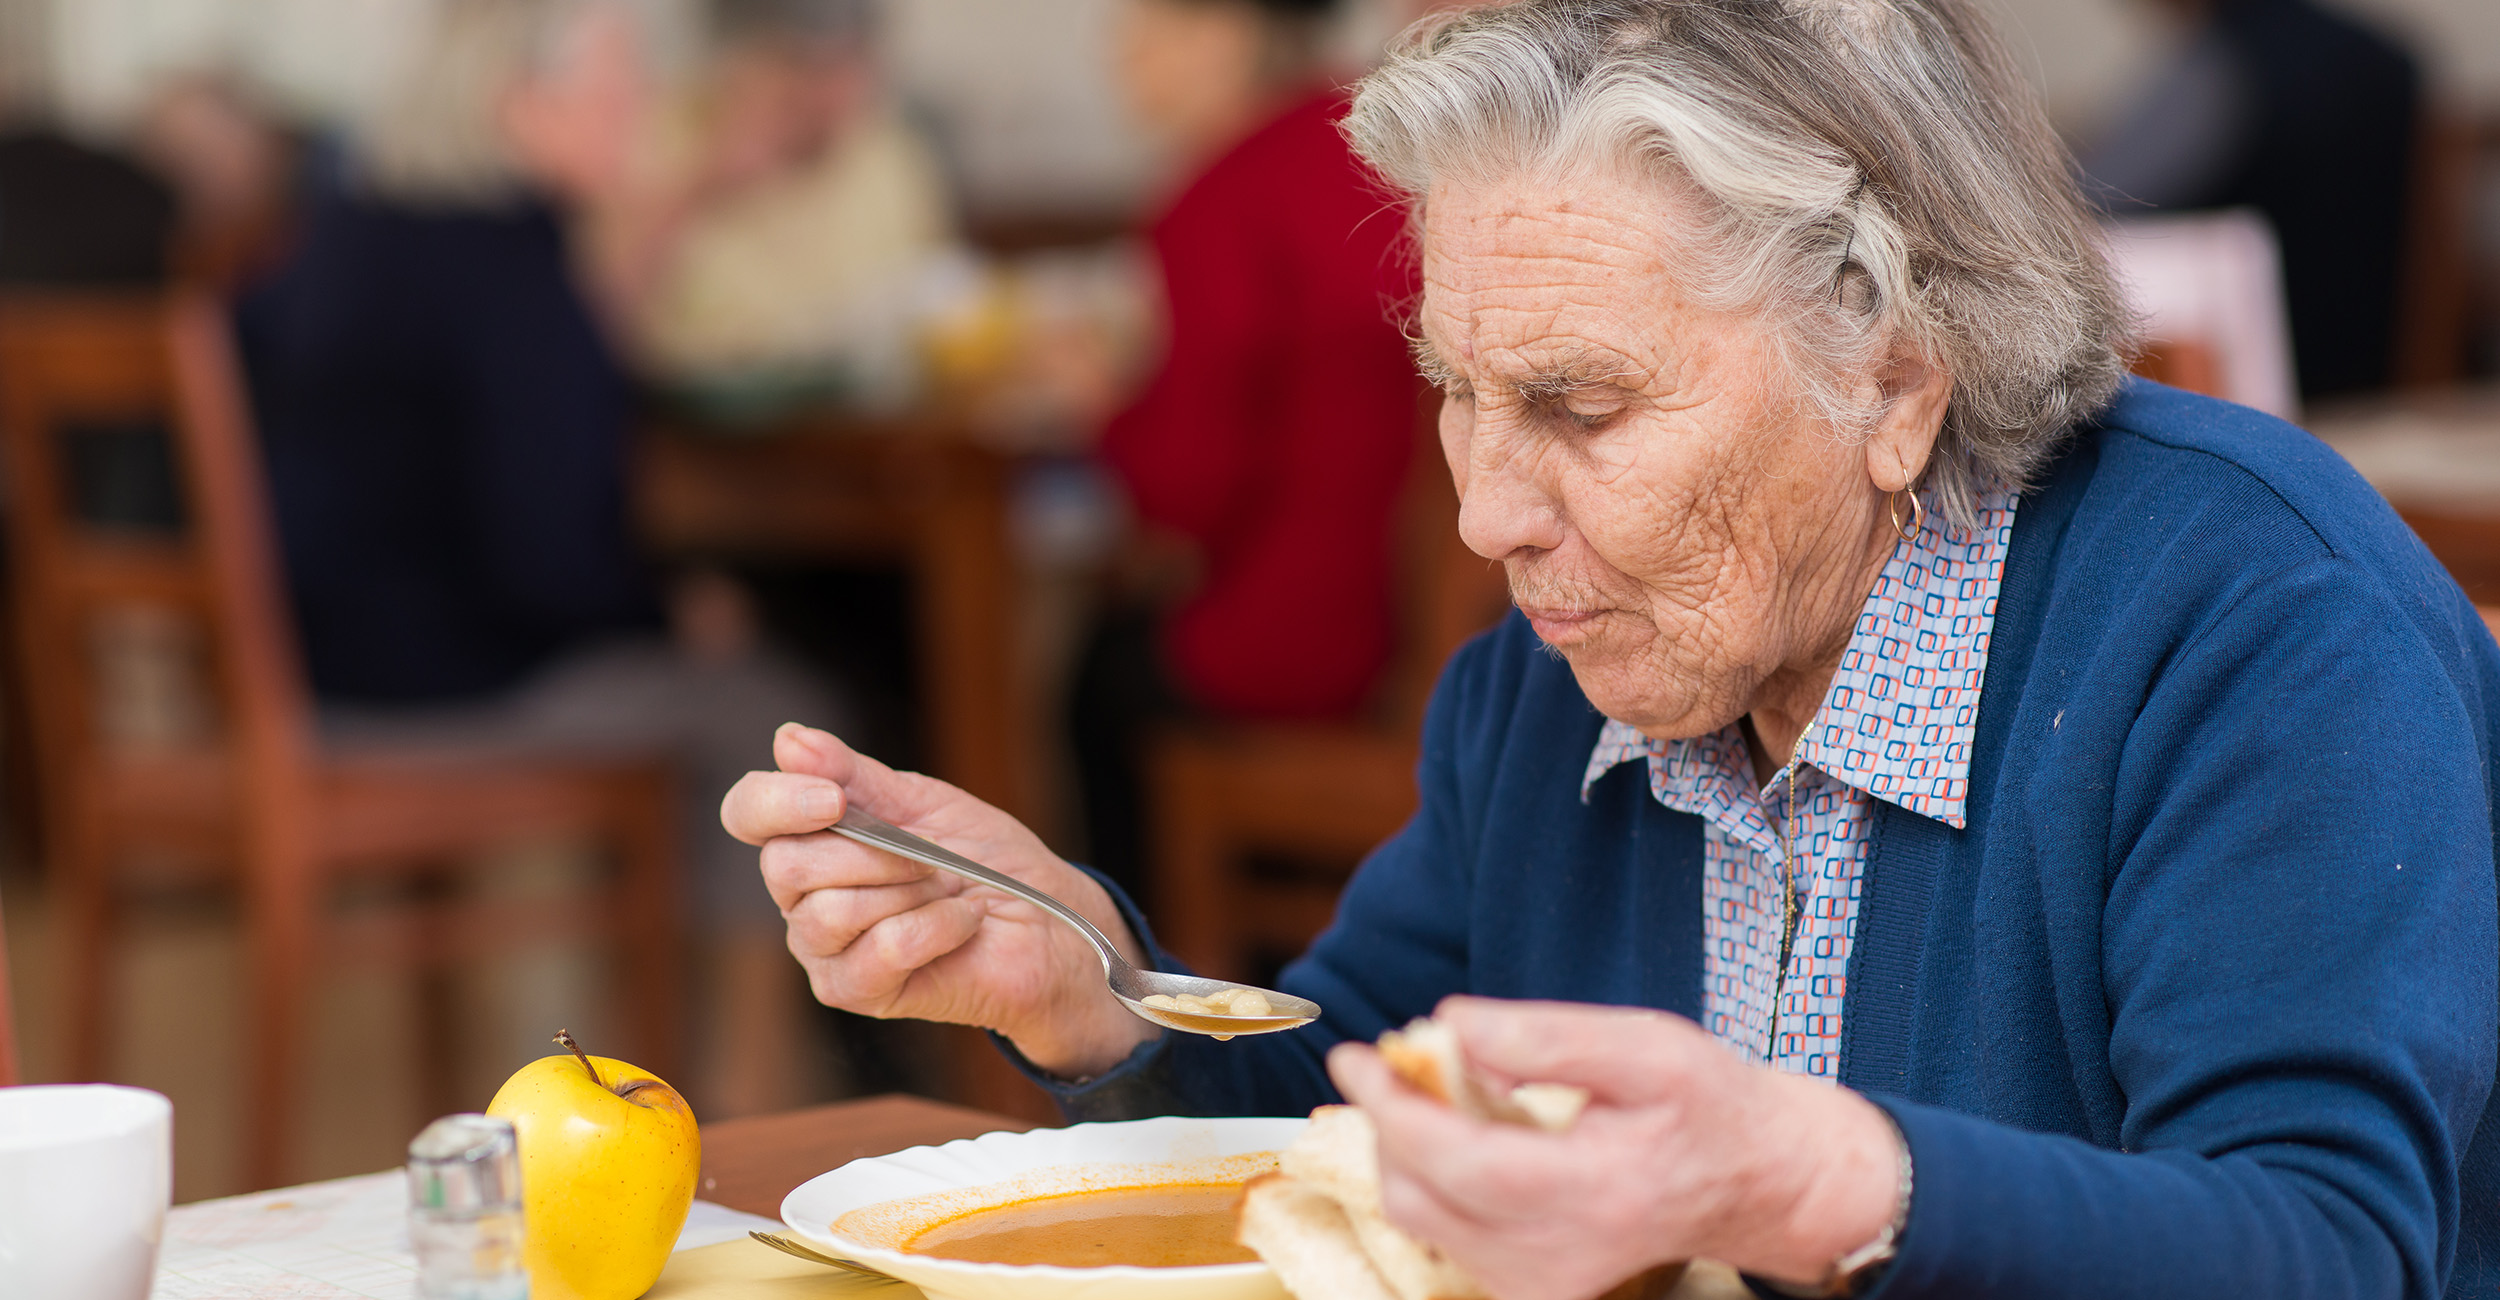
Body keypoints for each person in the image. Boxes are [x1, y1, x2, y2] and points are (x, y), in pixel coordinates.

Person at [725, 0, 2500, 1296]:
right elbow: (1344, 1093)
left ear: (1891, 375)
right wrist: (1088, 982)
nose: (1491, 509)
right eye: (1457, 395)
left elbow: (2330, 1246)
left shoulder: (2255, 626)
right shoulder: (1554, 676)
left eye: (1576, 405)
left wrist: (1804, 1180)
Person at [236, 0, 842, 1116]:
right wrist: (673, 610)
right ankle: (765, 1106)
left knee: (703, 682)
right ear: (521, 100)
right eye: (620, 88)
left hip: (323, 670)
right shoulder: (510, 264)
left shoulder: (353, 234)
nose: (647, 111)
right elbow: (552, 567)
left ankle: (660, 1077)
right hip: (452, 687)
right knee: (777, 718)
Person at [1070, 0, 1421, 903]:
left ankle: (1152, 981)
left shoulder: (1218, 192)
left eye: (1151, 28)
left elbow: (1187, 491)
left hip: (1305, 635)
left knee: (1095, 683)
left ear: (1228, 36)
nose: (1123, 57)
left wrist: (1105, 409)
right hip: (1432, 619)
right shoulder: (1381, 138)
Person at [621, 0, 960, 415]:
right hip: (696, 443)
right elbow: (600, 317)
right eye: (799, 64)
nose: (825, 93)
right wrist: (702, 184)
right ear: (735, 62)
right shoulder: (649, 137)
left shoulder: (889, 156)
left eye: (850, 64)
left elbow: (937, 308)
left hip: (862, 439)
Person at [2081, 0, 2423, 399]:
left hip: (2260, 377)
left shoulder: (2222, 67)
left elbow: (2092, 198)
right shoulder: (2387, 56)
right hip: (2373, 352)